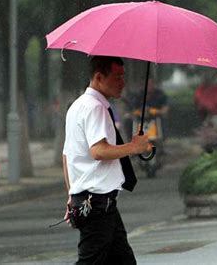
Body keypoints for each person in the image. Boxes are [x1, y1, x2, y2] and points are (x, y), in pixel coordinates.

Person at [62, 56, 151, 264]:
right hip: (98, 202)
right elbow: (98, 151)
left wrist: (72, 194)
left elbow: (67, 156)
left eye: (124, 76)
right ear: (99, 77)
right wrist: (134, 147)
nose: (123, 83)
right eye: (117, 77)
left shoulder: (77, 105)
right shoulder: (95, 108)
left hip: (99, 201)